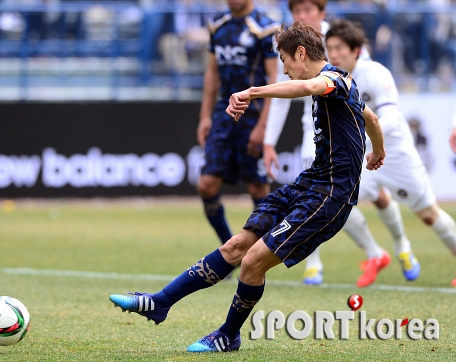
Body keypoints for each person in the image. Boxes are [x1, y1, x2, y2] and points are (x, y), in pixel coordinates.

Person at [109, 21, 385, 353]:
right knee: (236, 246)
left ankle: (228, 335)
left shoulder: (333, 80)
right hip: (308, 184)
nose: (283, 70)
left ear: (301, 53)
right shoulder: (344, 85)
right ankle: (160, 302)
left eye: (284, 61)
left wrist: (252, 91)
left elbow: (310, 88)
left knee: (253, 261)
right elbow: (372, 119)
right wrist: (377, 151)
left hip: (330, 197)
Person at [314, 18, 456, 286]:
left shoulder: (376, 73)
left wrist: (367, 142)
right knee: (334, 203)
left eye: (339, 48)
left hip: (395, 154)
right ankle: (376, 253)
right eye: (329, 47)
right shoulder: (330, 78)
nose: (333, 54)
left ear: (356, 50)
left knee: (428, 214)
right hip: (363, 157)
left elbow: (388, 119)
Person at [263, 0, 390, 288]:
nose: (302, 15)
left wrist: (252, 92)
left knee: (341, 196)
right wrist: (269, 141)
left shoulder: (338, 45)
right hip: (316, 128)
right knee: (321, 195)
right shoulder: (292, 53)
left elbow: (346, 84)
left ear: (321, 13)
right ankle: (316, 263)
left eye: (308, 10)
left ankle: (391, 249)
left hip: (342, 128)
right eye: (297, 11)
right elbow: (291, 94)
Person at [196, 0, 278, 247]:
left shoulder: (265, 28)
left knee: (256, 188)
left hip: (253, 114)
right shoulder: (217, 25)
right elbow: (212, 72)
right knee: (206, 185)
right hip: (224, 113)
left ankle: (263, 252)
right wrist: (205, 116)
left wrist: (264, 126)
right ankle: (229, 249)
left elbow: (274, 80)